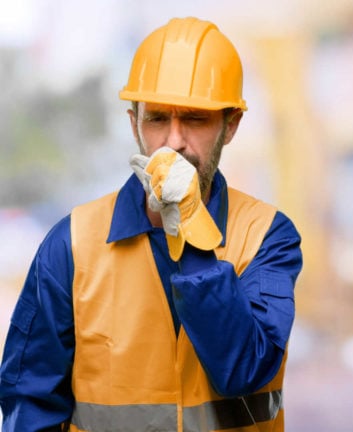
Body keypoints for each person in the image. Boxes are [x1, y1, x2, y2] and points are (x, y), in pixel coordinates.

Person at [0, 17, 302, 431]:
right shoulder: (71, 245)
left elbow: (244, 370)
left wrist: (193, 231)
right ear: (134, 124)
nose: (173, 141)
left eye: (195, 119)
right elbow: (30, 403)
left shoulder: (267, 236)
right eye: (157, 118)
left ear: (230, 126)